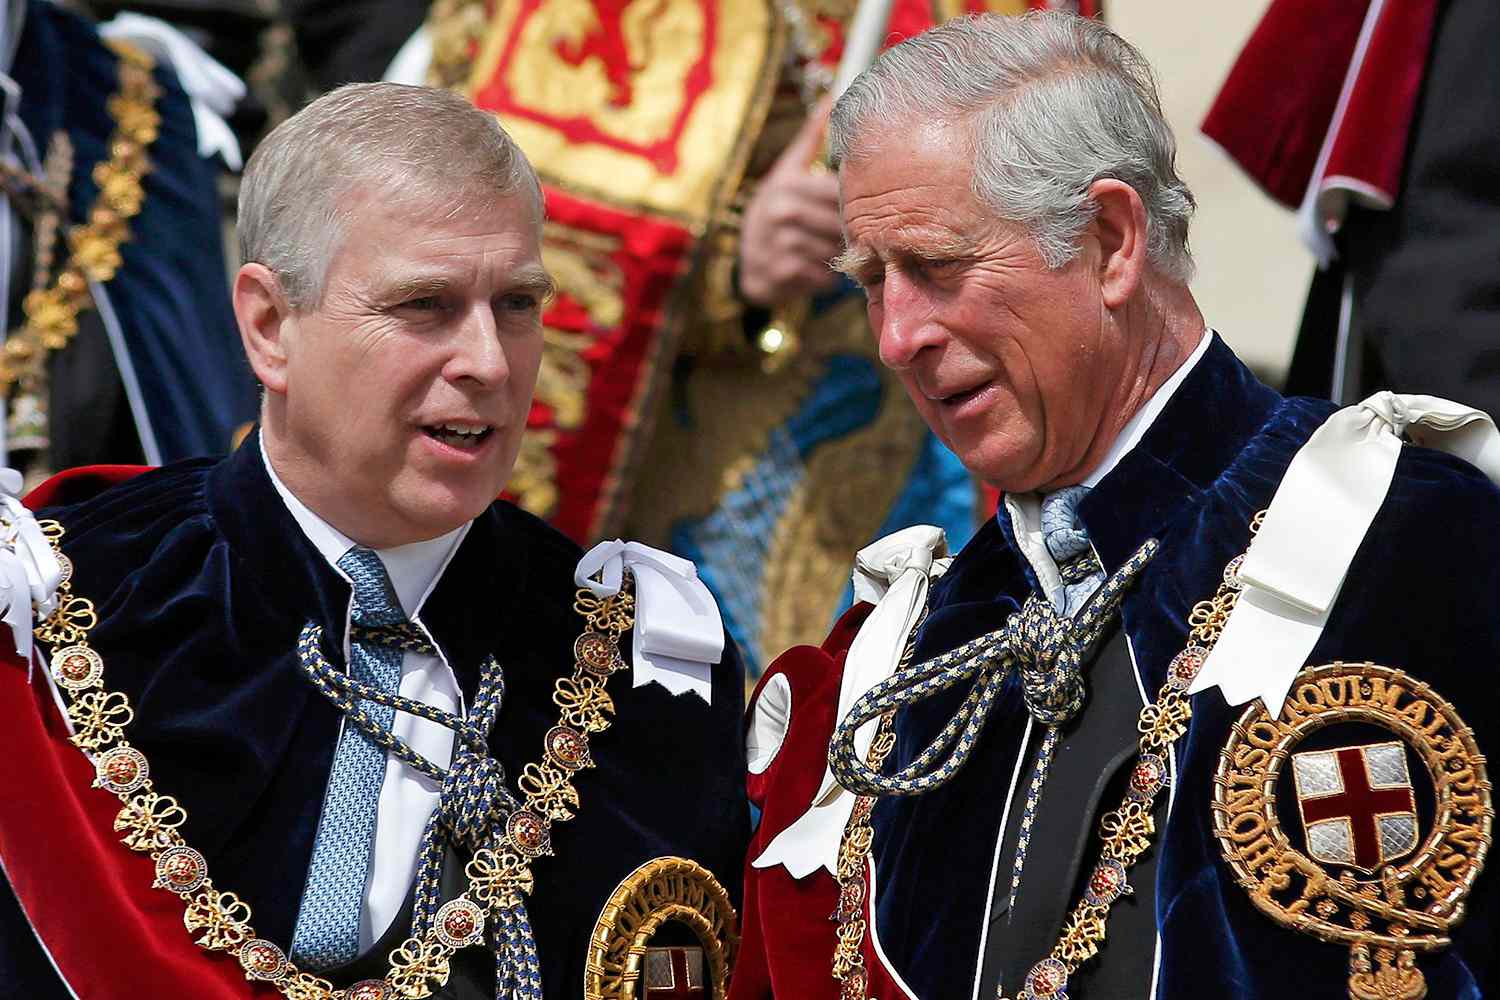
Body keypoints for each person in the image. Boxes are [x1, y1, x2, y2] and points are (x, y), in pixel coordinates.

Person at [733, 12, 1497, 1000]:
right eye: (873, 282)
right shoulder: (903, 654)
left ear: (1110, 242)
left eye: (937, 267)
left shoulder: (1396, 540)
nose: (896, 337)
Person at [0, 83, 747, 999]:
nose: (488, 360)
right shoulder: (62, 608)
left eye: (518, 303)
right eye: (425, 306)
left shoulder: (646, 667)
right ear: (270, 327)